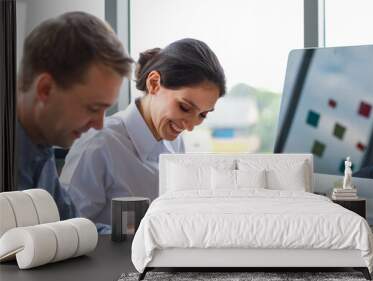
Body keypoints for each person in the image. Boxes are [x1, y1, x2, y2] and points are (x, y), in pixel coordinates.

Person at [60, 38, 226, 225]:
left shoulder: (174, 142)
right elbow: (69, 227)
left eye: (202, 114)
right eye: (185, 108)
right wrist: (133, 236)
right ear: (154, 83)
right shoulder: (98, 144)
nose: (189, 126)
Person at [16, 11, 133, 220]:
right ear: (45, 89)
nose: (99, 125)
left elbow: (71, 226)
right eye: (93, 108)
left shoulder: (42, 141)